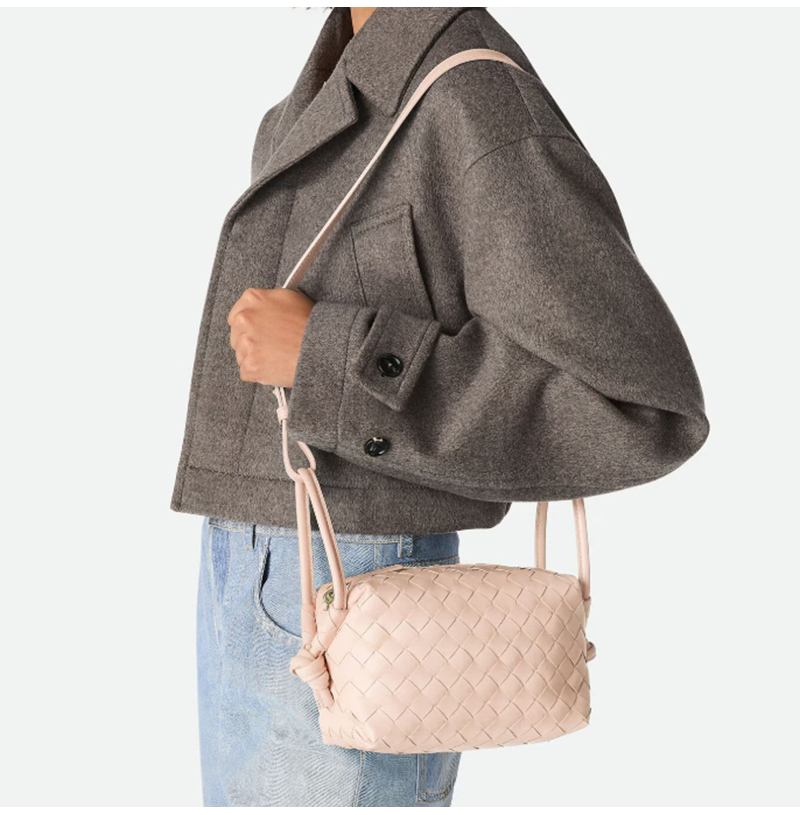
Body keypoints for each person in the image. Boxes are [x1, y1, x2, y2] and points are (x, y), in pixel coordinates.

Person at [171, 6, 710, 807]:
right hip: (255, 566)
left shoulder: (472, 96)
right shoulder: (337, 76)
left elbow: (640, 402)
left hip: (361, 592)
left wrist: (328, 357)